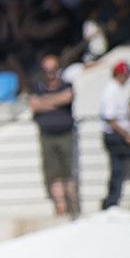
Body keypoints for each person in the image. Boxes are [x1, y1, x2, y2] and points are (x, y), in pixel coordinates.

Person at [29, 54, 79, 217]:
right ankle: (61, 206)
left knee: (68, 171)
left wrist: (45, 102)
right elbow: (34, 105)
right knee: (53, 172)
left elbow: (67, 97)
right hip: (47, 135)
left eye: (53, 69)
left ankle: (73, 205)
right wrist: (56, 100)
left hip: (65, 133)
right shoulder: (37, 87)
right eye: (47, 70)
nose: (50, 73)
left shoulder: (66, 84)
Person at [100, 61, 130, 210]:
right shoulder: (111, 90)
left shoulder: (118, 89)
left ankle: (111, 203)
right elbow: (110, 119)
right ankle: (111, 204)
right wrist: (126, 135)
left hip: (119, 136)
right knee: (117, 171)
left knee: (118, 170)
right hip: (116, 137)